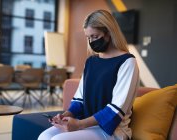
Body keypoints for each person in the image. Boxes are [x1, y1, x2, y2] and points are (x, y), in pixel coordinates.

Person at [38, 9, 139, 140]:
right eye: (88, 37)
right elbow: (80, 100)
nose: (91, 42)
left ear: (109, 33)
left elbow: (115, 110)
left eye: (95, 36)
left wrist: (79, 124)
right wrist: (66, 115)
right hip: (86, 124)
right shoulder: (91, 61)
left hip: (112, 130)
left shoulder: (127, 62)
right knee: (44, 136)